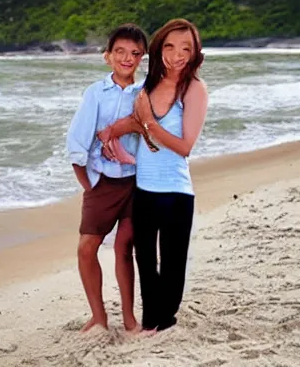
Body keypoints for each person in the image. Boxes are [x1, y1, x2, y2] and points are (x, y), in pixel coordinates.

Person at [99, 18, 208, 333]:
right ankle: (150, 323)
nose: (177, 55)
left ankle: (166, 321)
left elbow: (185, 146)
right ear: (160, 47)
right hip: (144, 190)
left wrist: (149, 123)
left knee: (172, 265)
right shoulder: (147, 86)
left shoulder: (194, 89)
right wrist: (111, 132)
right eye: (171, 46)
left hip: (176, 192)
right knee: (145, 261)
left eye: (186, 48)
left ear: (194, 52)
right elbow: (136, 122)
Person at [66, 23, 148, 332]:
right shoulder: (95, 93)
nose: (127, 58)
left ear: (142, 58)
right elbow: (76, 142)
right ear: (107, 56)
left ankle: (129, 319)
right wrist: (89, 184)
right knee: (86, 248)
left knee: (124, 248)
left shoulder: (145, 93)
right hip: (103, 183)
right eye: (120, 52)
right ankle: (99, 316)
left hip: (137, 183)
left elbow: (153, 136)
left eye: (135, 53)